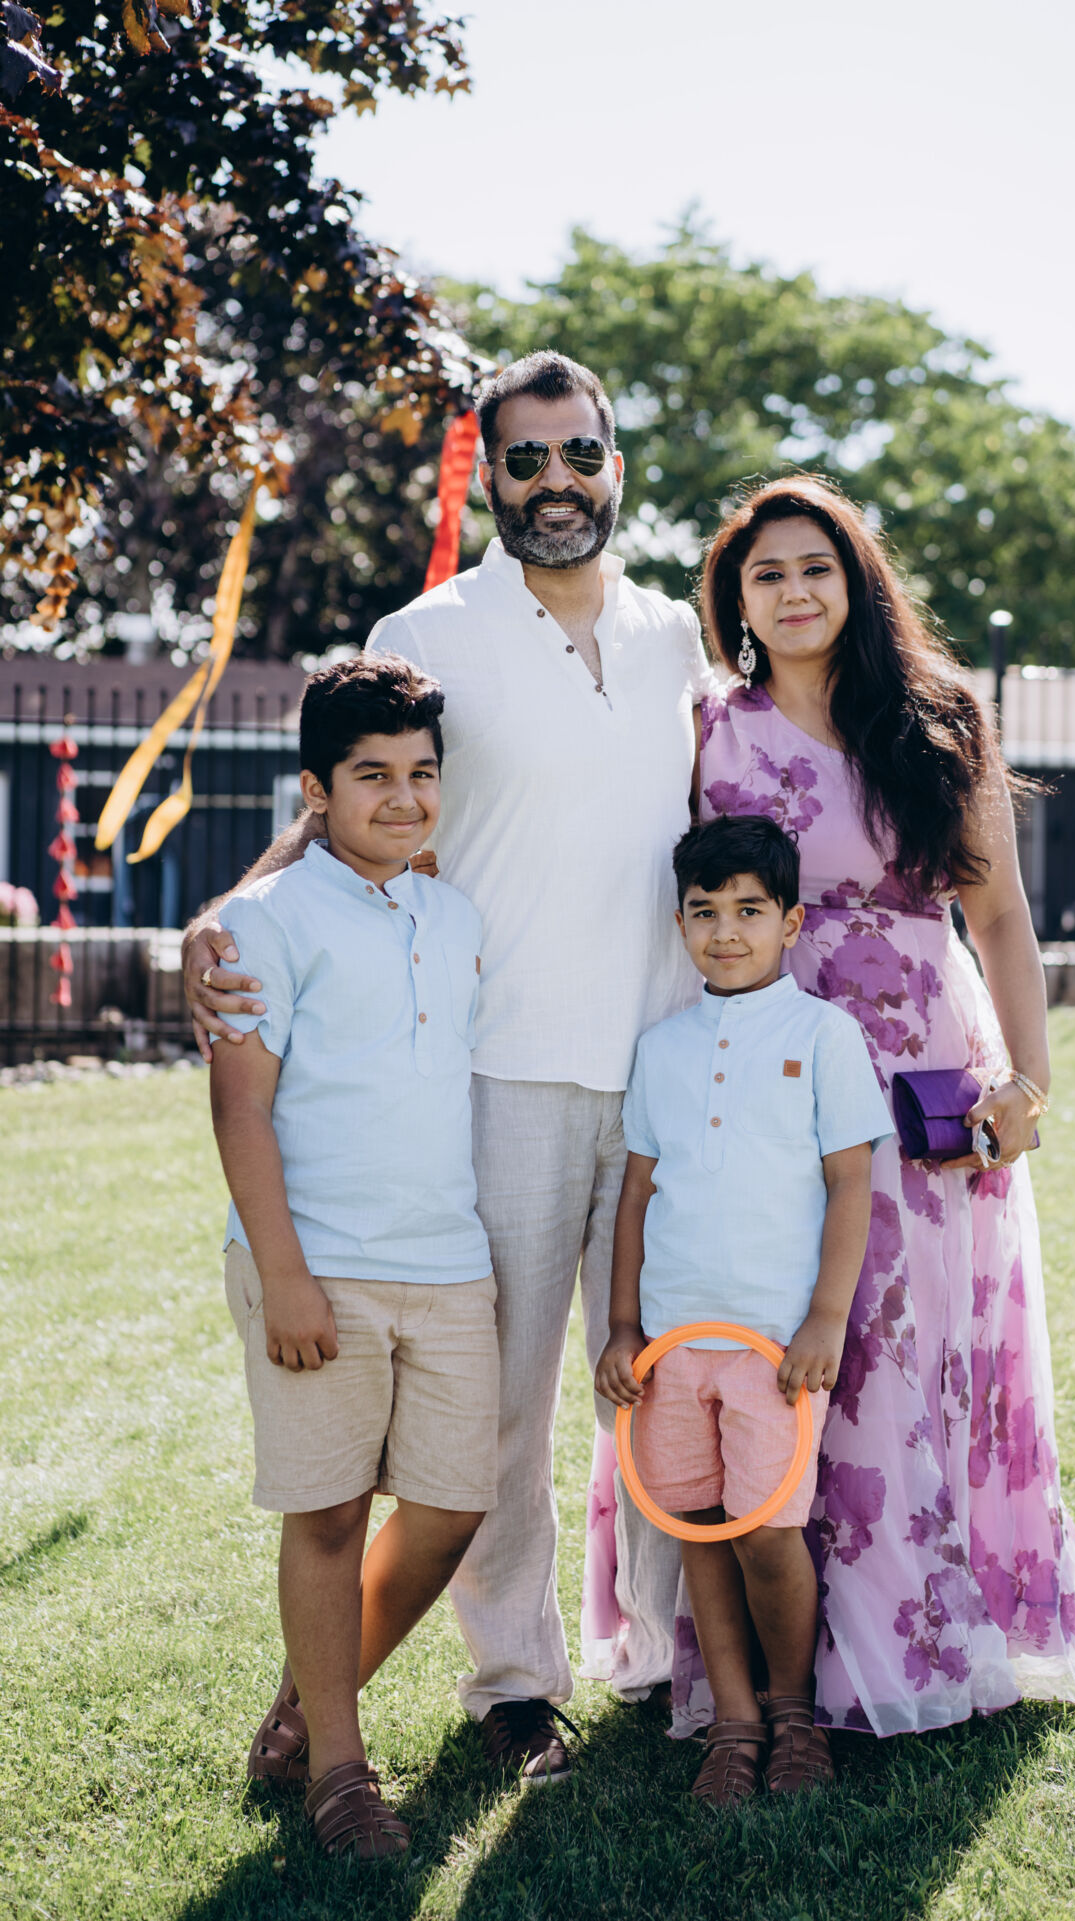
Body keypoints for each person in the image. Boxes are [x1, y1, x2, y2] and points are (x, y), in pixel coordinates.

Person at [185, 351, 715, 1781]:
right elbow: (348, 796)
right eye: (525, 459)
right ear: (492, 474)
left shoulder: (675, 634)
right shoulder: (429, 629)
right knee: (501, 1412)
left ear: (616, 463)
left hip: (663, 1070)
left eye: (580, 453)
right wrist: (217, 918)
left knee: (657, 1380)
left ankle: (663, 1660)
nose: (557, 482)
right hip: (502, 1075)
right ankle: (512, 1681)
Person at [670, 472, 1075, 1736]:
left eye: (814, 566)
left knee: (912, 1338)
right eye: (765, 574)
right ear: (735, 601)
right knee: (786, 1328)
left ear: (855, 580)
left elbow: (999, 916)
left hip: (924, 1065)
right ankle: (773, 1652)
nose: (792, 590)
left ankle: (916, 1629)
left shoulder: (939, 719)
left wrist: (1026, 1080)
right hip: (768, 1064)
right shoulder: (706, 727)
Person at [210, 655, 498, 1860]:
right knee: (327, 1513)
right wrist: (283, 1275)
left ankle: (303, 1701)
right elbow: (240, 1108)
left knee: (452, 1505)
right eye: (371, 775)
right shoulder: (262, 922)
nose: (403, 797)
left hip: (447, 1259)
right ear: (316, 790)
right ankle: (338, 1768)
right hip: (316, 1260)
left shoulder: (453, 913)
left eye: (421, 773)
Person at [595, 815, 892, 1804]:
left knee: (767, 1532)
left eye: (749, 910)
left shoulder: (824, 1036)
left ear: (790, 922)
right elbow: (637, 1193)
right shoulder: (661, 1047)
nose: (725, 930)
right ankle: (731, 1721)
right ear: (680, 922)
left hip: (774, 1348)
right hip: (672, 1345)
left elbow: (849, 1184)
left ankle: (793, 1713)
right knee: (698, 1527)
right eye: (704, 911)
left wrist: (824, 1319)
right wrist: (624, 1327)